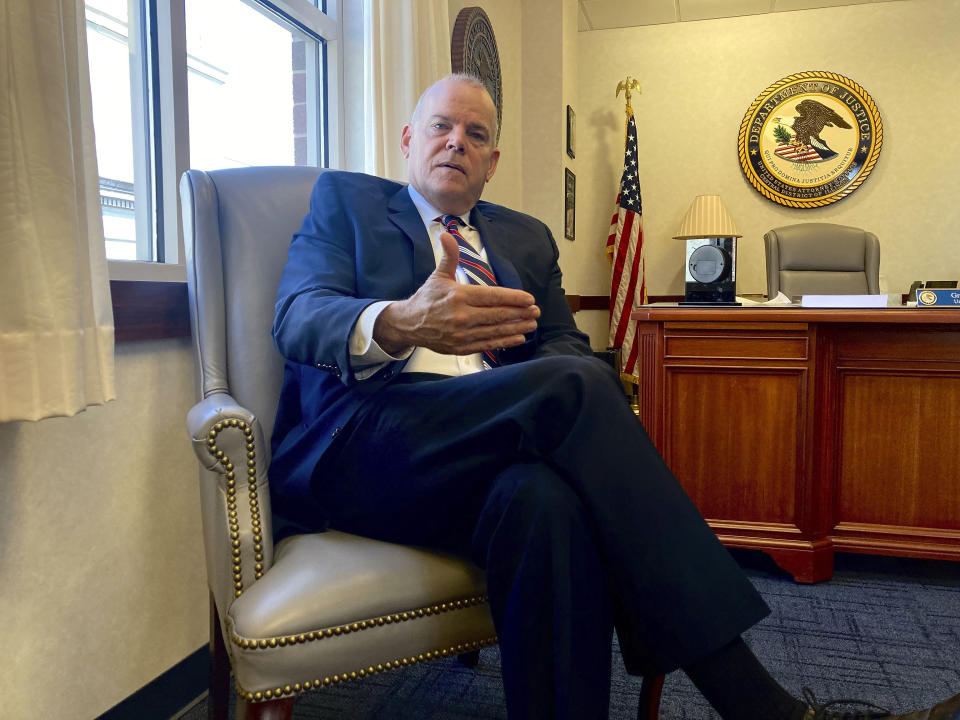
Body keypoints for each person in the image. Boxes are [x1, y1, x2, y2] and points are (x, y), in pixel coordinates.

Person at [269, 73, 960, 720]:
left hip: (489, 445)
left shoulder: (523, 238)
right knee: (576, 386)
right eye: (442, 126)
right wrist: (401, 322)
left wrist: (530, 375)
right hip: (364, 443)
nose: (458, 142)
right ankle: (763, 707)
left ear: (493, 161)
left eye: (476, 135)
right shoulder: (348, 203)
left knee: (545, 500)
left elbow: (566, 344)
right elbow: (297, 316)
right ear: (408, 140)